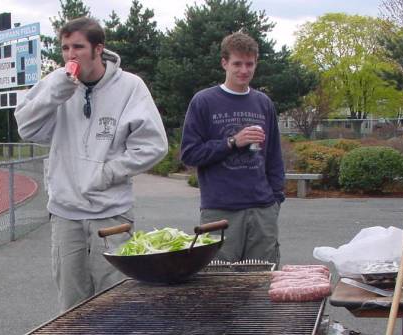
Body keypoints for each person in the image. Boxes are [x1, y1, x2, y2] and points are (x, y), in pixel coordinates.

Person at [15, 17, 168, 311]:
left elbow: (153, 145)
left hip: (111, 214)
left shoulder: (130, 87)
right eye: (65, 48)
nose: (70, 55)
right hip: (66, 213)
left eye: (78, 47)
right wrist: (56, 95)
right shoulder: (54, 83)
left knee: (115, 300)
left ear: (98, 49)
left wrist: (108, 172)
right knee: (71, 303)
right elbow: (26, 128)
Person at [180, 31, 285, 265]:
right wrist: (231, 142)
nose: (244, 70)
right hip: (220, 211)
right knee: (219, 286)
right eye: (237, 64)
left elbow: (274, 157)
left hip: (262, 210)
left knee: (261, 284)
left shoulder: (263, 103)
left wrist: (276, 200)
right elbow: (189, 154)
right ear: (224, 63)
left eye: (250, 64)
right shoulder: (204, 101)